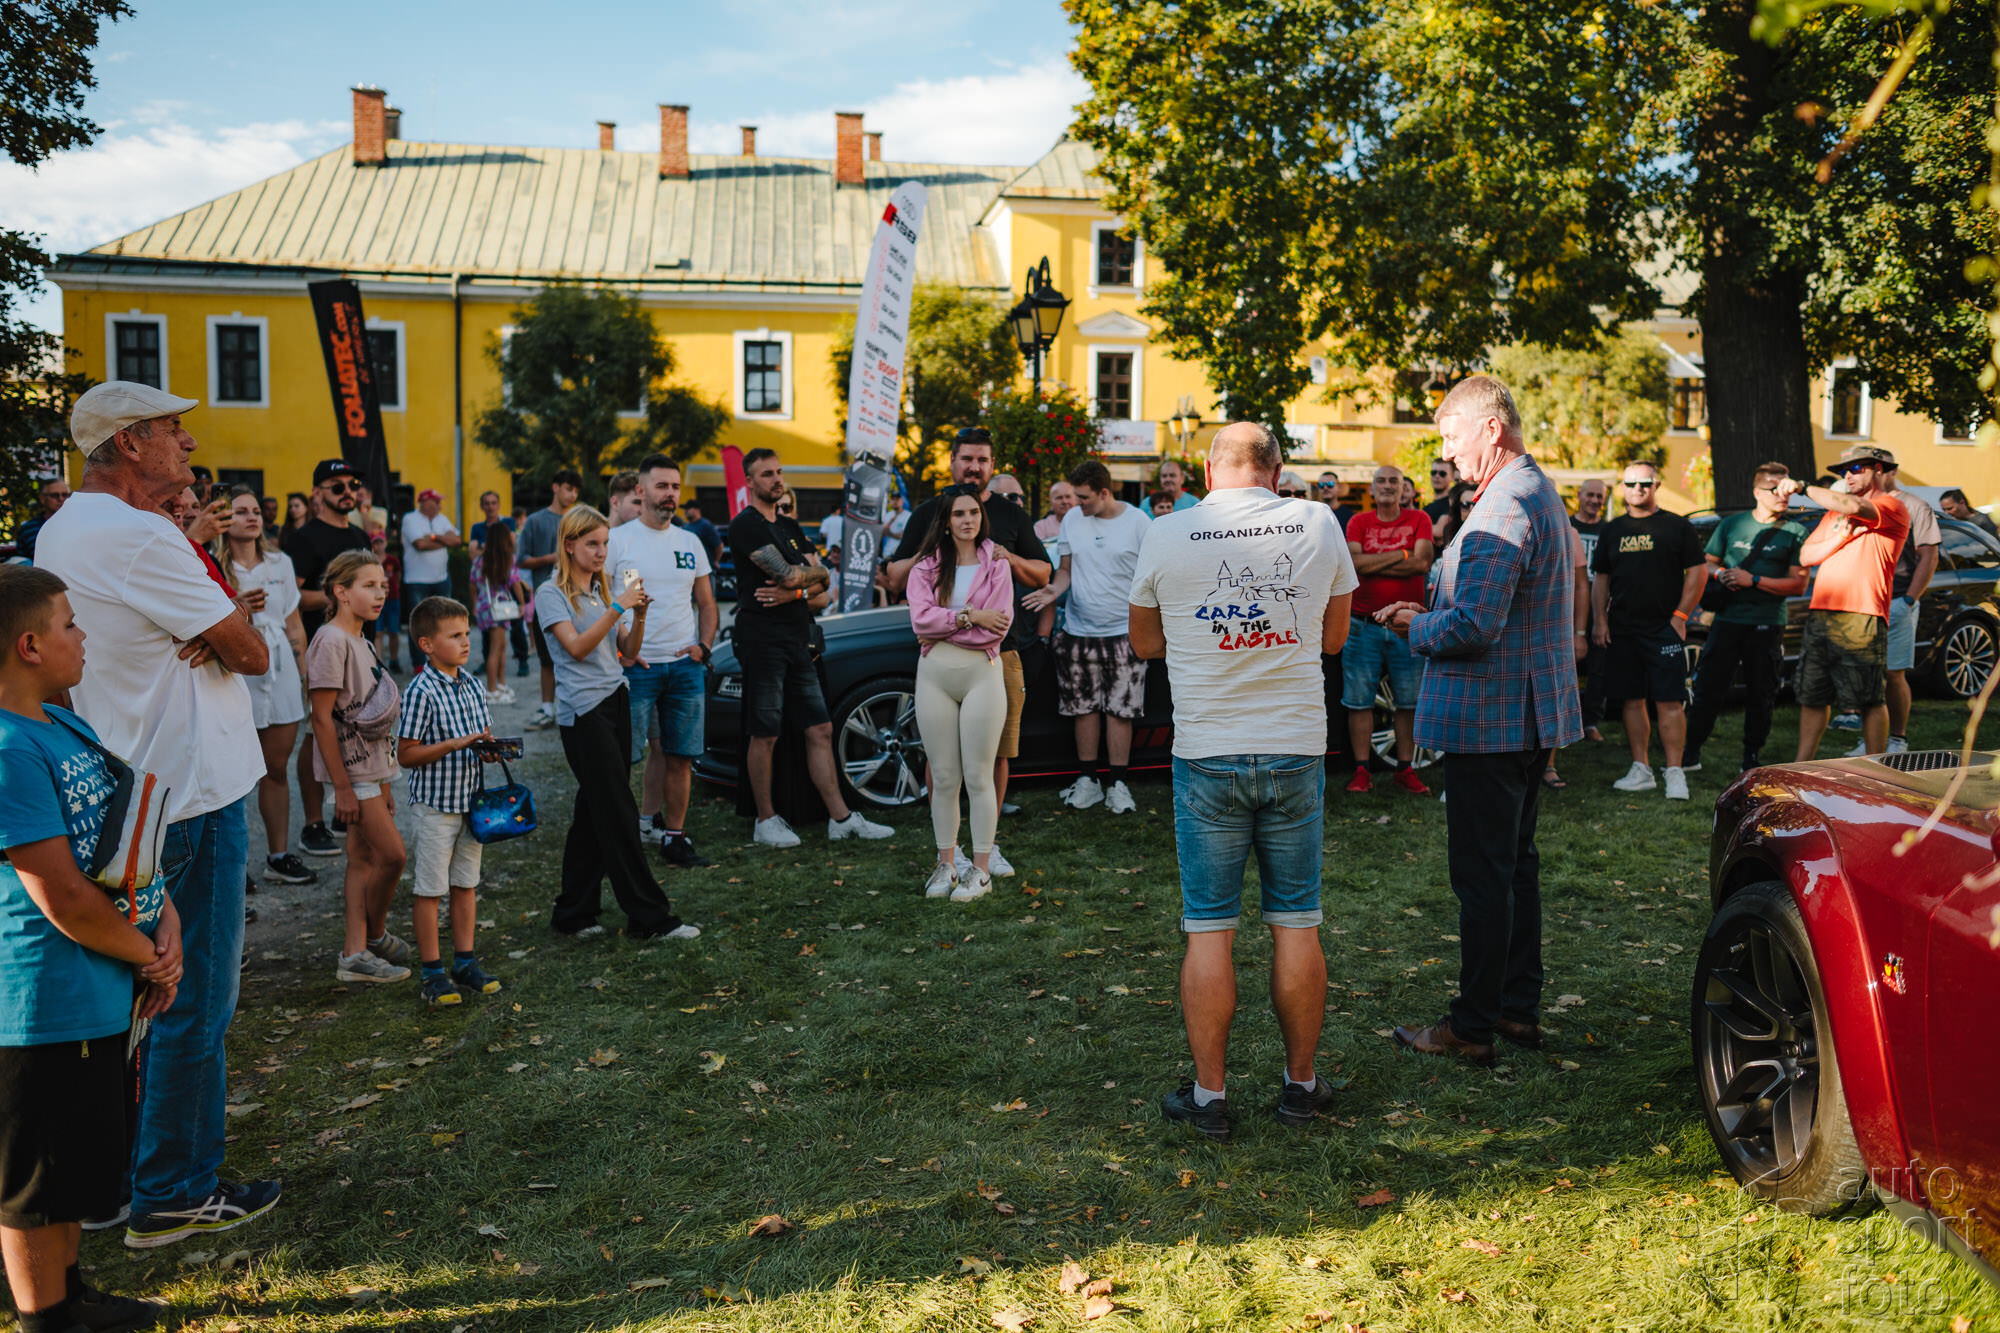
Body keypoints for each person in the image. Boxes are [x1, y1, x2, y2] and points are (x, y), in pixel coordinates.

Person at [36, 380, 280, 1250]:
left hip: (128, 785)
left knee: (132, 997)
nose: (189, 442)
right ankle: (175, 1188)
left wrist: (214, 630)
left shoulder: (64, 528)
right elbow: (251, 651)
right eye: (173, 429)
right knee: (192, 996)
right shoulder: (141, 535)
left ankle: (117, 1180)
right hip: (189, 791)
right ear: (130, 443)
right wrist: (224, 628)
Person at [1129, 422, 1357, 1140]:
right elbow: (1334, 638)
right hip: (1293, 747)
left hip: (1208, 752)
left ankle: (1211, 1097)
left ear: (1206, 471)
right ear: (1277, 471)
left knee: (1209, 928)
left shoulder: (1167, 530)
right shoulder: (1318, 521)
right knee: (1296, 918)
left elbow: (1144, 641)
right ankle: (1300, 1087)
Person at [1378, 376, 1580, 1068]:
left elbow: (1473, 626)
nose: (1446, 451)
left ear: (1491, 428)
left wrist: (1414, 625)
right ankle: (1514, 1009)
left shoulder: (1505, 503)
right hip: (1522, 715)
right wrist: (1429, 615)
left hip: (1492, 720)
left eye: (1450, 436)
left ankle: (1473, 1026)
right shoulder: (1531, 489)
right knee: (1514, 868)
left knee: (1485, 878)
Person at [0, 565, 180, 1331]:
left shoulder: (61, 723)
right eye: (70, 623)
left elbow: (123, 838)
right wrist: (147, 954)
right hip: (40, 1002)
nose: (83, 637)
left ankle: (71, 1294)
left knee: (74, 1161)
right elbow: (63, 894)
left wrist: (166, 919)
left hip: (97, 985)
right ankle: (45, 1319)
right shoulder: (8, 747)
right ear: (30, 644)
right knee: (35, 1183)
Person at [535, 505, 702, 939]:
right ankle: (650, 919)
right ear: (569, 545)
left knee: (593, 811)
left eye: (605, 543)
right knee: (618, 811)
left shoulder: (600, 590)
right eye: (592, 543)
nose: (601, 552)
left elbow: (627, 652)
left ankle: (573, 913)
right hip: (583, 712)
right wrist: (617, 606)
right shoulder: (551, 593)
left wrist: (639, 613)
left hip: (616, 701)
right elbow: (575, 648)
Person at [890, 431, 1053, 847]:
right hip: (939, 658)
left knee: (995, 753)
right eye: (967, 459)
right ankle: (947, 847)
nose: (974, 467)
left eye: (982, 460)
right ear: (952, 461)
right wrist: (933, 551)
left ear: (992, 465)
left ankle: (987, 845)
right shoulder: (926, 514)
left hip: (1001, 654)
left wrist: (1006, 556)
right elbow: (894, 577)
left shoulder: (1011, 515)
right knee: (941, 757)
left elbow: (1042, 574)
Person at [729, 450, 893, 847]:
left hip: (798, 637)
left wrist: (796, 590)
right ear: (749, 481)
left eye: (779, 472)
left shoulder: (788, 525)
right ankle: (765, 820)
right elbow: (791, 574)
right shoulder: (746, 525)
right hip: (762, 641)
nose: (776, 479)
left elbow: (818, 585)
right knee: (765, 733)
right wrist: (809, 577)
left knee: (820, 728)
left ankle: (841, 818)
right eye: (766, 474)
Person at [607, 455, 718, 870]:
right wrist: (621, 649)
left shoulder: (690, 542)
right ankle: (620, 838)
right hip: (636, 669)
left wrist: (703, 646)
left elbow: (707, 604)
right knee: (622, 758)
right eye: (661, 486)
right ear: (641, 490)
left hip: (684, 667)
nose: (670, 494)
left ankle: (674, 837)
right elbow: (600, 601)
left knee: (680, 756)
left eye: (675, 486)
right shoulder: (617, 541)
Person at [306, 550, 410, 985]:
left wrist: (386, 782)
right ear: (341, 592)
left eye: (383, 586)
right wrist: (343, 789)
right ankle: (375, 932)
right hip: (353, 774)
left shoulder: (363, 641)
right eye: (369, 586)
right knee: (394, 855)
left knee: (362, 857)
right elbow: (321, 719)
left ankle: (354, 955)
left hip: (374, 770)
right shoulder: (331, 641)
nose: (380, 594)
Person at [1023, 459, 1150, 814]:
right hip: (1078, 630)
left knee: (1120, 710)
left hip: (1124, 631)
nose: (1076, 504)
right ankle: (1088, 780)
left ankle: (1119, 784)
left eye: (1083, 498)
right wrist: (1053, 590)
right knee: (1082, 708)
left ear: (1104, 492)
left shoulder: (1139, 522)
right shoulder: (1072, 521)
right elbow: (1065, 570)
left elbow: (1152, 575)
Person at [906, 487, 1015, 902]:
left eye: (973, 512)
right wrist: (971, 616)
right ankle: (946, 863)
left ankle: (981, 870)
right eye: (958, 514)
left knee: (978, 774)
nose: (968, 520)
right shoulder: (925, 568)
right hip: (934, 676)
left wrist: (948, 624)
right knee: (944, 775)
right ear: (946, 521)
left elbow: (997, 627)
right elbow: (920, 622)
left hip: (982, 675)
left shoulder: (997, 564)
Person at [396, 596, 502, 1008]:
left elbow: (482, 735)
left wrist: (491, 749)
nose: (465, 642)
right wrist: (455, 744)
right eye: (454, 635)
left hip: (471, 803)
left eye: (467, 633)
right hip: (436, 807)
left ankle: (465, 961)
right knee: (430, 889)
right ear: (426, 644)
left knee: (465, 883)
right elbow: (406, 754)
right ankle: (432, 972)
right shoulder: (420, 691)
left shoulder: (472, 684)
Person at [214, 488, 317, 888]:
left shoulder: (280, 562)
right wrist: (237, 605)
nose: (252, 517)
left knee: (276, 768)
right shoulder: (212, 564)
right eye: (241, 511)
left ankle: (278, 855)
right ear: (225, 519)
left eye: (256, 510)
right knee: (232, 774)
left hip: (280, 667)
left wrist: (303, 674)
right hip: (235, 670)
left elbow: (294, 624)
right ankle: (231, 866)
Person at [1784, 444, 1911, 760]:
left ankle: (1874, 766)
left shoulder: (1891, 506)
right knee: (1813, 694)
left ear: (1878, 469)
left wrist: (1802, 487)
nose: (1848, 476)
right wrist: (1842, 537)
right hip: (1822, 612)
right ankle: (1802, 765)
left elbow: (1853, 507)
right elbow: (1806, 555)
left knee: (1869, 697)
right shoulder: (1834, 514)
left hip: (1862, 613)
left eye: (1855, 469)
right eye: (1843, 471)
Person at [1589, 461, 1705, 800]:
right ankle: (1641, 768)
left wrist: (1680, 616)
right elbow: (1601, 579)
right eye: (1631, 483)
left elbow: (1698, 572)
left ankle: (1675, 772)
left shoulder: (1677, 526)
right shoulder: (1612, 530)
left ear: (1656, 485)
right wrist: (1600, 621)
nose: (1638, 488)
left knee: (1670, 700)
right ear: (1622, 487)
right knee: (1631, 699)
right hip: (1622, 629)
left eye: (1645, 482)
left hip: (1663, 628)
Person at [1682, 463, 1808, 774]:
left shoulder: (1795, 532)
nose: (1782, 495)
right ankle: (1690, 753)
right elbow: (1707, 563)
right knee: (1709, 687)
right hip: (1727, 620)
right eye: (1774, 489)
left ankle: (1751, 757)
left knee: (1761, 692)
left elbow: (1798, 584)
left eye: (1785, 489)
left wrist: (1754, 580)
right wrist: (1723, 574)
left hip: (1767, 622)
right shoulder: (1732, 525)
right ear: (1757, 492)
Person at [284, 460, 371, 856]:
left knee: (351, 727)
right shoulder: (304, 539)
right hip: (320, 645)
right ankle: (312, 822)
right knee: (314, 733)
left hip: (358, 644)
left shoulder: (358, 535)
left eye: (352, 485)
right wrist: (342, 596)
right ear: (318, 492)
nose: (347, 492)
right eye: (337, 486)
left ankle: (342, 810)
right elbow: (293, 597)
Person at [1342, 465, 1434, 796]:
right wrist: (1402, 553)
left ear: (1403, 488)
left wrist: (1374, 561)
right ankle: (1361, 771)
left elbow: (1422, 563)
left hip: (1407, 627)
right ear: (1371, 488)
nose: (1387, 486)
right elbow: (1355, 564)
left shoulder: (1419, 519)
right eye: (1381, 481)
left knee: (1408, 701)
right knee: (1359, 701)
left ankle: (1404, 769)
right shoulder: (1358, 522)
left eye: (1394, 481)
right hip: (1362, 624)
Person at [1875, 461, 1940, 756]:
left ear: (1892, 472)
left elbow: (1928, 556)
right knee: (1869, 674)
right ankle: (1871, 736)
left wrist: (1909, 599)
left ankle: (1898, 738)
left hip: (1898, 599)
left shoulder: (1914, 505)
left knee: (1893, 673)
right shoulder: (1863, 503)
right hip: (1867, 600)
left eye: (1879, 468)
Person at [518, 469, 580, 731]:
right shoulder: (536, 521)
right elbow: (521, 559)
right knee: (546, 659)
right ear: (556, 487)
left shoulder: (579, 519)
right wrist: (550, 559)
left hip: (577, 599)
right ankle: (546, 709)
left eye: (576, 491)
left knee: (577, 655)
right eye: (568, 488)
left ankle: (576, 707)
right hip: (546, 599)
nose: (573, 495)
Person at [469, 490, 530, 679]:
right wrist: (522, 603)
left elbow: (473, 577)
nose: (490, 506)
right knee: (498, 647)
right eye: (486, 503)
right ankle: (495, 685)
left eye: (493, 502)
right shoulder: (507, 558)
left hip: (485, 601)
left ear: (499, 504)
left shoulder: (507, 522)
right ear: (482, 506)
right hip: (502, 598)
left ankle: (513, 668)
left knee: (502, 642)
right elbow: (515, 581)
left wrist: (474, 605)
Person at [399, 488, 460, 669]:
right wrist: (444, 541)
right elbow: (420, 544)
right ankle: (419, 664)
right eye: (436, 501)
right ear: (425, 502)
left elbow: (457, 540)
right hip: (417, 581)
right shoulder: (410, 519)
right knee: (419, 624)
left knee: (443, 623)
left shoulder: (442, 519)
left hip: (441, 579)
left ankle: (440, 661)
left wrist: (434, 537)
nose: (440, 505)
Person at [1570, 478, 1610, 741]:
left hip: (1600, 607)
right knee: (1568, 666)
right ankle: (1568, 720)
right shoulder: (1567, 526)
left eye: (1599, 496)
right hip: (1569, 604)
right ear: (1579, 495)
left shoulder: (1608, 530)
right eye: (1590, 495)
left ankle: (1590, 722)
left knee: (1599, 666)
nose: (1595, 501)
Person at [12, 476, 69, 562]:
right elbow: (22, 563)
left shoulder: (79, 525)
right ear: (42, 498)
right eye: (55, 495)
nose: (61, 499)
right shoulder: (27, 529)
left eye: (65, 495)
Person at [372, 530, 404, 673]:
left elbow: (397, 576)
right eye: (375, 543)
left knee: (393, 631)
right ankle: (379, 661)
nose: (378, 545)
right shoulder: (371, 562)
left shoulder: (392, 560)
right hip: (375, 599)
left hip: (392, 599)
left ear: (385, 543)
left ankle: (394, 659)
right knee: (378, 632)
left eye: (381, 542)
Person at [680, 498, 723, 566]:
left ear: (697, 510)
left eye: (688, 509)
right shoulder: (685, 526)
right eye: (684, 509)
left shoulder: (705, 525)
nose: (685, 511)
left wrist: (716, 561)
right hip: (691, 565)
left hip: (706, 565)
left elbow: (719, 545)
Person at [1423, 459, 1458, 525]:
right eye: (1433, 472)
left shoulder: (1454, 505)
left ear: (1452, 477)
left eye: (1442, 474)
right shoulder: (1426, 508)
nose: (1437, 476)